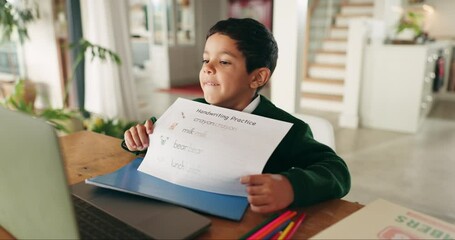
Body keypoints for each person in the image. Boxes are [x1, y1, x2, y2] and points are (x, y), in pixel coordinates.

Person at [122, 18, 350, 213]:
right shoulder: (189, 112)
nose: (208, 68)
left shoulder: (286, 129)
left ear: (257, 78)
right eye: (205, 59)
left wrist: (291, 187)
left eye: (223, 61)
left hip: (246, 222)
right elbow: (160, 139)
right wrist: (140, 139)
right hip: (179, 207)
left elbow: (336, 170)